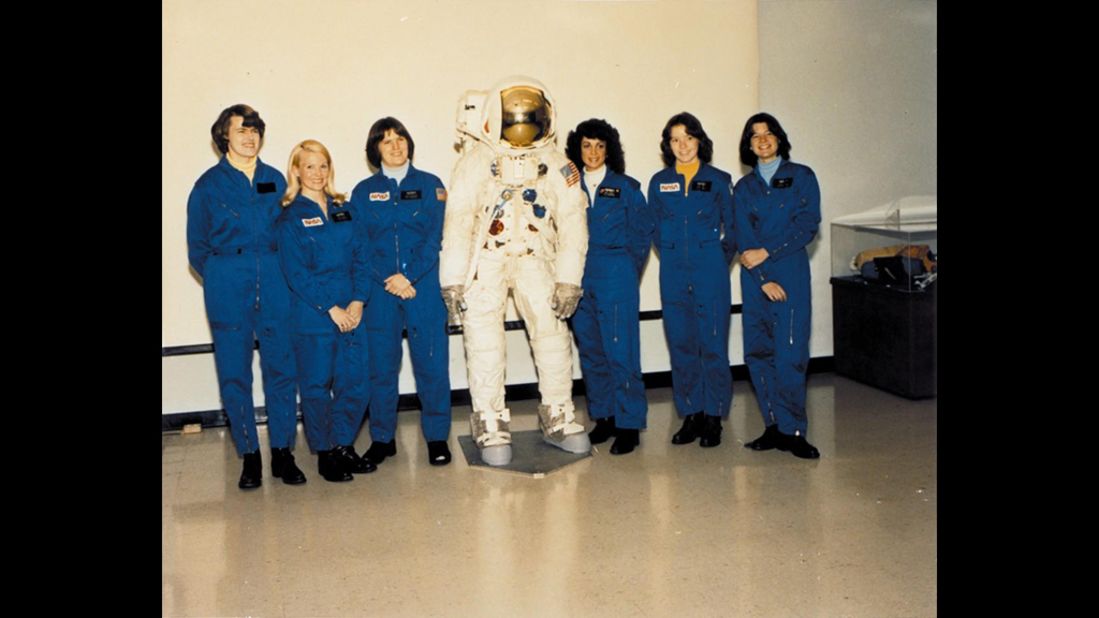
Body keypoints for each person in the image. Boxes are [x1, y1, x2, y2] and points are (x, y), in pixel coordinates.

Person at [440, 75, 591, 466]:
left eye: (530, 115)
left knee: (552, 335)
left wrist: (569, 279)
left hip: (535, 259)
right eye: (515, 116)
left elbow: (573, 223)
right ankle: (489, 419)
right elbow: (457, 221)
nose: (523, 124)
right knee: (485, 342)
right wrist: (453, 281)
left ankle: (558, 413)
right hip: (485, 262)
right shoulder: (475, 162)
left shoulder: (557, 164)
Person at [187, 104, 304, 489]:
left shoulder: (275, 180)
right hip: (228, 285)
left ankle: (283, 454)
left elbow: (291, 234)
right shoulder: (207, 185)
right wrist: (224, 277)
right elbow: (197, 249)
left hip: (274, 283)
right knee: (235, 374)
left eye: (254, 130)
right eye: (241, 130)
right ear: (225, 136)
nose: (249, 137)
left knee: (282, 371)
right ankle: (250, 455)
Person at [349, 117, 453, 467]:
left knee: (432, 364)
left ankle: (437, 437)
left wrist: (406, 275)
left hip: (421, 287)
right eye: (387, 141)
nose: (396, 146)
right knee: (381, 368)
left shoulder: (430, 185)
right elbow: (359, 245)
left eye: (401, 139)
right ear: (375, 149)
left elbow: (434, 237)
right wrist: (387, 278)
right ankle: (382, 439)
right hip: (381, 292)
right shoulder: (363, 193)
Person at [277, 139, 376, 482]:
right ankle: (325, 452)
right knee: (317, 386)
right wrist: (330, 307)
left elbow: (363, 257)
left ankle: (343, 443)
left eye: (323, 166)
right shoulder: (290, 217)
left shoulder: (344, 208)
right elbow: (296, 273)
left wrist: (359, 300)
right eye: (309, 166)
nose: (317, 173)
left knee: (356, 382)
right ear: (296, 171)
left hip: (353, 311)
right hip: (315, 315)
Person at [734, 112, 821, 459]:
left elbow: (807, 224)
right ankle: (772, 426)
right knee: (758, 353)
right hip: (756, 278)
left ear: (779, 138)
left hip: (790, 272)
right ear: (748, 145)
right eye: (755, 136)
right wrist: (762, 278)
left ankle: (794, 431)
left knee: (790, 354)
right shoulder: (744, 188)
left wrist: (769, 253)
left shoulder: (802, 177)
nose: (763, 140)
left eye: (769, 134)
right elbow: (743, 236)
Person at [565, 119, 654, 455]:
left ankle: (629, 424)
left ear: (609, 150)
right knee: (591, 350)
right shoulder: (566, 186)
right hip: (578, 274)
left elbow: (641, 233)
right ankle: (604, 418)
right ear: (578, 149)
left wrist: (627, 271)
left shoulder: (626, 187)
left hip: (615, 272)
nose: (593, 152)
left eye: (600, 146)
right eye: (587, 145)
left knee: (621, 351)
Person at [648, 112, 736, 448]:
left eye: (688, 138)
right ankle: (692, 414)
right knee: (682, 346)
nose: (683, 146)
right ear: (668, 145)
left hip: (710, 271)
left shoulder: (719, 180)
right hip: (673, 272)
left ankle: (714, 416)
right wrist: (672, 254)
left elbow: (734, 229)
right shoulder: (659, 183)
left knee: (712, 345)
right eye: (675, 140)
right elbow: (654, 229)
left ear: (700, 140)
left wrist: (715, 258)